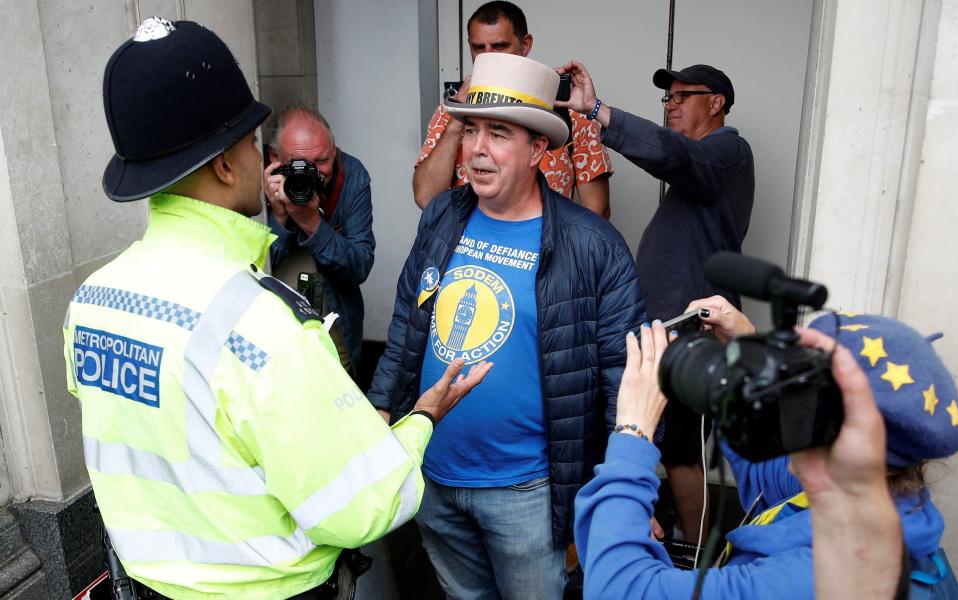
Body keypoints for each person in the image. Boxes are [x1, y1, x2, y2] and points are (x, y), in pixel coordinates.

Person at [64, 19, 490, 599]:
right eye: (252, 141)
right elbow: (363, 506)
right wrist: (421, 421)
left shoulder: (91, 301)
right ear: (226, 164)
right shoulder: (263, 330)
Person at [368, 52, 645, 599]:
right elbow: (407, 318)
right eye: (470, 129)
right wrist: (381, 409)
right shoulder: (442, 215)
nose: (476, 149)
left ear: (539, 148)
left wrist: (624, 491)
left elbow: (623, 377)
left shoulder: (592, 246)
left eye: (499, 133)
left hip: (528, 493)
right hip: (433, 474)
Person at [574, 298, 958, 599]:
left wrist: (632, 432)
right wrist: (741, 343)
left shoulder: (813, 578)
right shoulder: (883, 498)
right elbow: (766, 476)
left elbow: (618, 591)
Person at [558, 60, 755, 543]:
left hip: (691, 331)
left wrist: (600, 112)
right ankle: (680, 544)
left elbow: (674, 156)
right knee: (661, 443)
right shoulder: (703, 164)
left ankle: (694, 555)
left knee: (680, 450)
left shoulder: (725, 150)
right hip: (665, 329)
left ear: (716, 103)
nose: (671, 104)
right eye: (667, 96)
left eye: (682, 95)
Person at [413, 1, 614, 217]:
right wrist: (459, 117)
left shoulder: (570, 110)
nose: (488, 56)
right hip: (469, 245)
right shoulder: (452, 109)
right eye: (478, 47)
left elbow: (597, 211)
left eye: (499, 46)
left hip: (546, 245)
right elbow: (426, 198)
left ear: (526, 44)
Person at [263, 103, 374, 376]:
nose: (314, 173)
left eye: (323, 160)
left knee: (341, 379)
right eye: (300, 164)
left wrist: (312, 224)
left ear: (334, 150)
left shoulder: (351, 175)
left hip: (335, 304)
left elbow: (360, 266)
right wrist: (279, 219)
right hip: (275, 315)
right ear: (275, 157)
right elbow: (250, 268)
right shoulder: (260, 179)